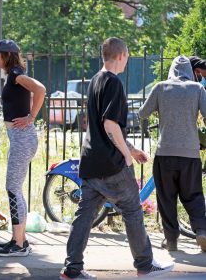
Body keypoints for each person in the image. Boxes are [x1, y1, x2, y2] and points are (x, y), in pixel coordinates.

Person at [59, 37, 174, 279]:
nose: (127, 61)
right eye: (128, 57)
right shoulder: (113, 83)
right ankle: (145, 265)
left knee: (85, 215)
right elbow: (110, 124)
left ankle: (72, 269)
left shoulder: (95, 81)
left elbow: (105, 129)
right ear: (120, 55)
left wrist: (131, 149)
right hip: (111, 165)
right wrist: (125, 155)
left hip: (91, 161)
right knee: (133, 211)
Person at [139, 55, 206, 252]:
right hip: (190, 155)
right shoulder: (198, 89)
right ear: (189, 72)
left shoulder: (160, 87)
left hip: (165, 153)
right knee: (194, 196)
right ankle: (201, 231)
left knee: (166, 198)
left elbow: (143, 113)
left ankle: (171, 240)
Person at [0, 40, 46, 256]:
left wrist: (31, 116)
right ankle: (19, 240)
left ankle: (19, 245)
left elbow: (40, 89)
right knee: (15, 188)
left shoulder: (16, 75)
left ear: (6, 55)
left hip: (23, 138)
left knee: (12, 188)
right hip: (19, 137)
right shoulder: (13, 74)